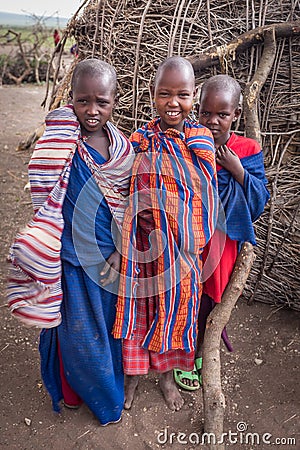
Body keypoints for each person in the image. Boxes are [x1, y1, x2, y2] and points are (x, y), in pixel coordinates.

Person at [7, 58, 135, 425]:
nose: (91, 111)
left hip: (108, 260)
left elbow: (129, 204)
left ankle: (107, 392)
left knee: (106, 328)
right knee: (75, 331)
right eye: (83, 101)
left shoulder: (123, 151)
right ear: (71, 99)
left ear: (115, 100)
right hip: (68, 259)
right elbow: (44, 191)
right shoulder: (60, 142)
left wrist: (119, 248)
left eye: (101, 102)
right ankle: (74, 389)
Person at [112, 56, 218, 411]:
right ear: (152, 95)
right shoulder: (140, 138)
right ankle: (132, 377)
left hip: (182, 248)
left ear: (194, 97)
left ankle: (167, 377)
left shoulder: (199, 139)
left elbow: (206, 190)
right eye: (165, 94)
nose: (174, 102)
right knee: (140, 311)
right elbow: (127, 185)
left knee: (176, 312)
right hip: (142, 245)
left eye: (183, 95)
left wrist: (192, 237)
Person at [175, 74, 270, 390]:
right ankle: (181, 352)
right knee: (182, 295)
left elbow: (259, 200)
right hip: (187, 237)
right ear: (196, 111)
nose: (212, 121)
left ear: (236, 116)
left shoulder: (246, 149)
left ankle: (199, 351)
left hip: (221, 242)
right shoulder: (187, 142)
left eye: (222, 115)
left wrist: (238, 170)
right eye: (205, 113)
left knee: (207, 300)